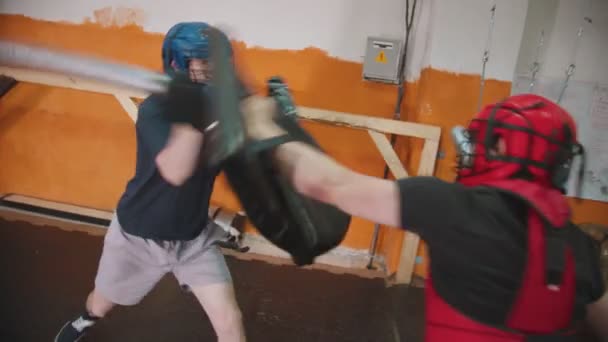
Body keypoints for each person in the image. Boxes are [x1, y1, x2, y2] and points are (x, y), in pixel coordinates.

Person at [232, 91, 607, 341]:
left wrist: (263, 127)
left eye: (486, 142)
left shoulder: (450, 206)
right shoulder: (580, 248)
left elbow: (330, 185)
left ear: (501, 146)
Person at [54, 22, 246, 342]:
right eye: (203, 61)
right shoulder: (156, 109)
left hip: (192, 239)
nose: (213, 68)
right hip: (138, 237)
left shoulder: (222, 109)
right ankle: (86, 319)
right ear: (177, 64)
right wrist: (196, 116)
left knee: (229, 319)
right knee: (101, 304)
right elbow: (175, 170)